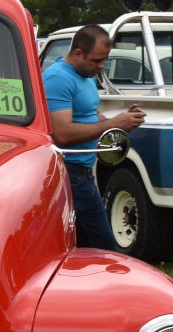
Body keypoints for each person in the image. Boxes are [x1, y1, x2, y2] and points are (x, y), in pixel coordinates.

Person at [42, 24, 146, 250]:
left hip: (86, 177)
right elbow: (62, 134)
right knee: (69, 250)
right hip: (68, 177)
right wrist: (113, 123)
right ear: (78, 53)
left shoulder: (86, 74)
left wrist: (121, 122)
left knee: (102, 251)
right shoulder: (58, 78)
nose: (101, 67)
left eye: (104, 61)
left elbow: (91, 114)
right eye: (97, 60)